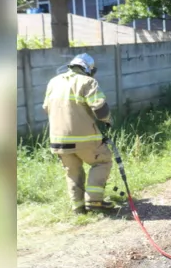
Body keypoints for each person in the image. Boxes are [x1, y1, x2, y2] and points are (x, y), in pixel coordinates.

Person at [43, 53, 116, 214]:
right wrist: (109, 121)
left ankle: (78, 207)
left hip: (57, 140)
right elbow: (100, 109)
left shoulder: (53, 82)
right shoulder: (88, 82)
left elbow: (45, 108)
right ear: (88, 69)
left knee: (72, 171)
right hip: (84, 139)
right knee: (102, 162)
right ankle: (94, 201)